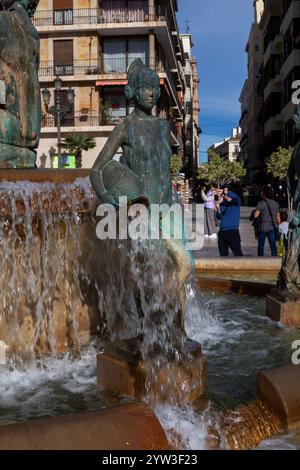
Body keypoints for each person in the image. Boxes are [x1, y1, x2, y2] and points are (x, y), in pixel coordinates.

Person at [215, 186, 243, 257]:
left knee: (238, 254)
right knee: (223, 255)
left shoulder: (236, 202)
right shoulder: (223, 204)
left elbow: (236, 198)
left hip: (233, 231)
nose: (224, 193)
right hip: (222, 232)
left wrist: (227, 195)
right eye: (224, 191)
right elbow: (219, 217)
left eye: (226, 191)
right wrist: (218, 208)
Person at [254, 186, 280, 257]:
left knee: (261, 245)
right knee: (273, 245)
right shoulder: (276, 203)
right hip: (272, 227)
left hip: (262, 227)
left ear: (264, 194)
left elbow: (256, 215)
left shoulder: (260, 203)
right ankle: (274, 258)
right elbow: (278, 217)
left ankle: (260, 259)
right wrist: (278, 226)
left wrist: (255, 212)